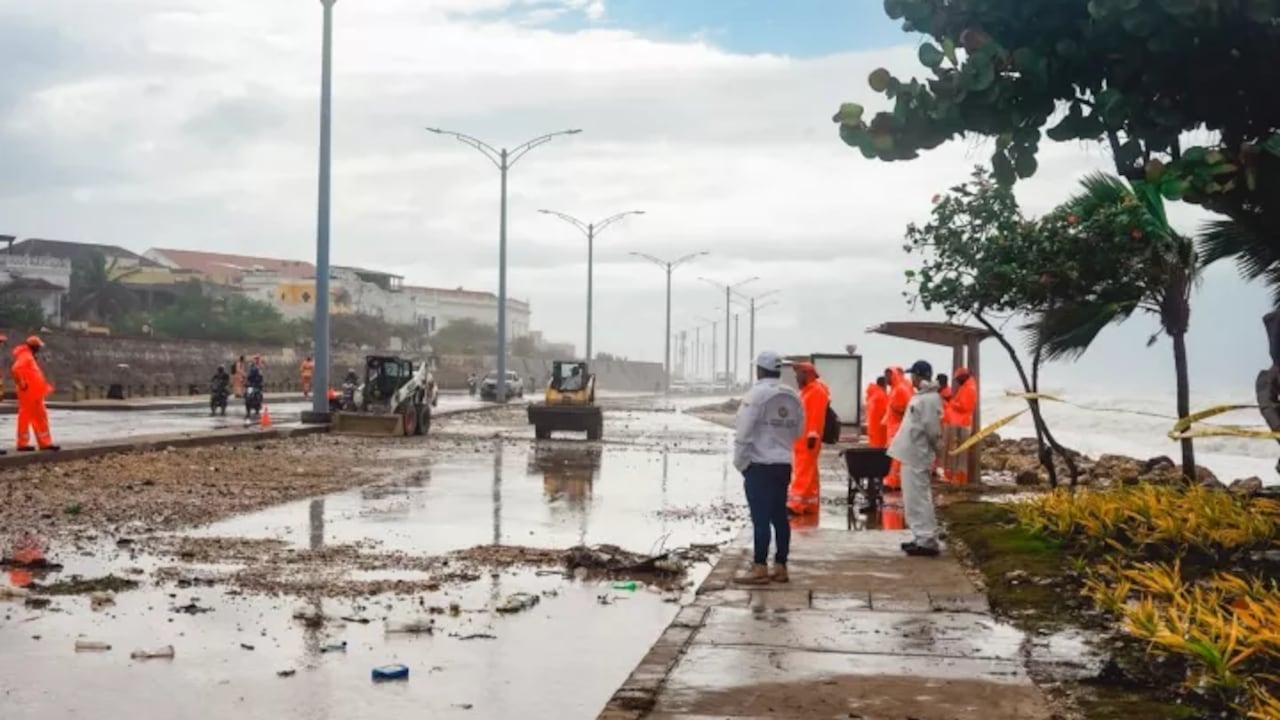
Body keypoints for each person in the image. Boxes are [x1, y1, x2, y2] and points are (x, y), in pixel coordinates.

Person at [733, 350, 803, 585]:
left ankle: (760, 566)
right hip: (783, 464)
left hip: (760, 465)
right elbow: (798, 431)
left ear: (759, 370)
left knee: (760, 519)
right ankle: (781, 566)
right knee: (779, 517)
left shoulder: (756, 395)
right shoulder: (792, 395)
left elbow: (743, 432)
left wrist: (741, 463)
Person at [887, 360, 944, 557]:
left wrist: (937, 452)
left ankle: (927, 539)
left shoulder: (929, 399)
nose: (912, 378)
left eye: (914, 375)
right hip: (911, 454)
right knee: (912, 498)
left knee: (919, 498)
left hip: (917, 455)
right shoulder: (923, 397)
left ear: (919, 376)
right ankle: (920, 536)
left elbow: (932, 430)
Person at [787, 361, 831, 516]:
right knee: (809, 471)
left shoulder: (816, 391)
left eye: (798, 374)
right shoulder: (807, 391)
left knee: (803, 470)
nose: (796, 377)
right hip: (802, 438)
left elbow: (816, 416)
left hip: (808, 439)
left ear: (807, 374)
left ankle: (796, 503)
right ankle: (810, 503)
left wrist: (813, 434)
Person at [12, 336, 58, 452]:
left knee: (40, 416)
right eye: (38, 347)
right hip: (28, 393)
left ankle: (45, 442)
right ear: (35, 347)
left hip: (34, 393)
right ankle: (22, 443)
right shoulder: (25, 356)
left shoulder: (28, 356)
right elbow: (16, 369)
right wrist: (22, 383)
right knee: (26, 417)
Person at [882, 366, 914, 489]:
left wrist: (897, 410)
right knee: (894, 456)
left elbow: (908, 409)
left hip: (898, 429)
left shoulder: (901, 389)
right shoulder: (895, 389)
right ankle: (893, 480)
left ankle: (894, 482)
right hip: (893, 428)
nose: (886, 378)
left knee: (897, 457)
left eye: (888, 375)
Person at [945, 367, 978, 484]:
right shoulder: (965, 387)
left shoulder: (969, 388)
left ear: (964, 377)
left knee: (961, 455)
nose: (957, 381)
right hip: (959, 423)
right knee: (957, 453)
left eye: (958, 378)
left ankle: (960, 480)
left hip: (963, 424)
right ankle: (956, 478)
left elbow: (964, 406)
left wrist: (951, 402)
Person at [865, 376, 889, 448]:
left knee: (873, 451)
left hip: (872, 429)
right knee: (879, 452)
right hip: (880, 431)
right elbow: (885, 414)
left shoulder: (873, 395)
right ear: (884, 384)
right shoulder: (881, 396)